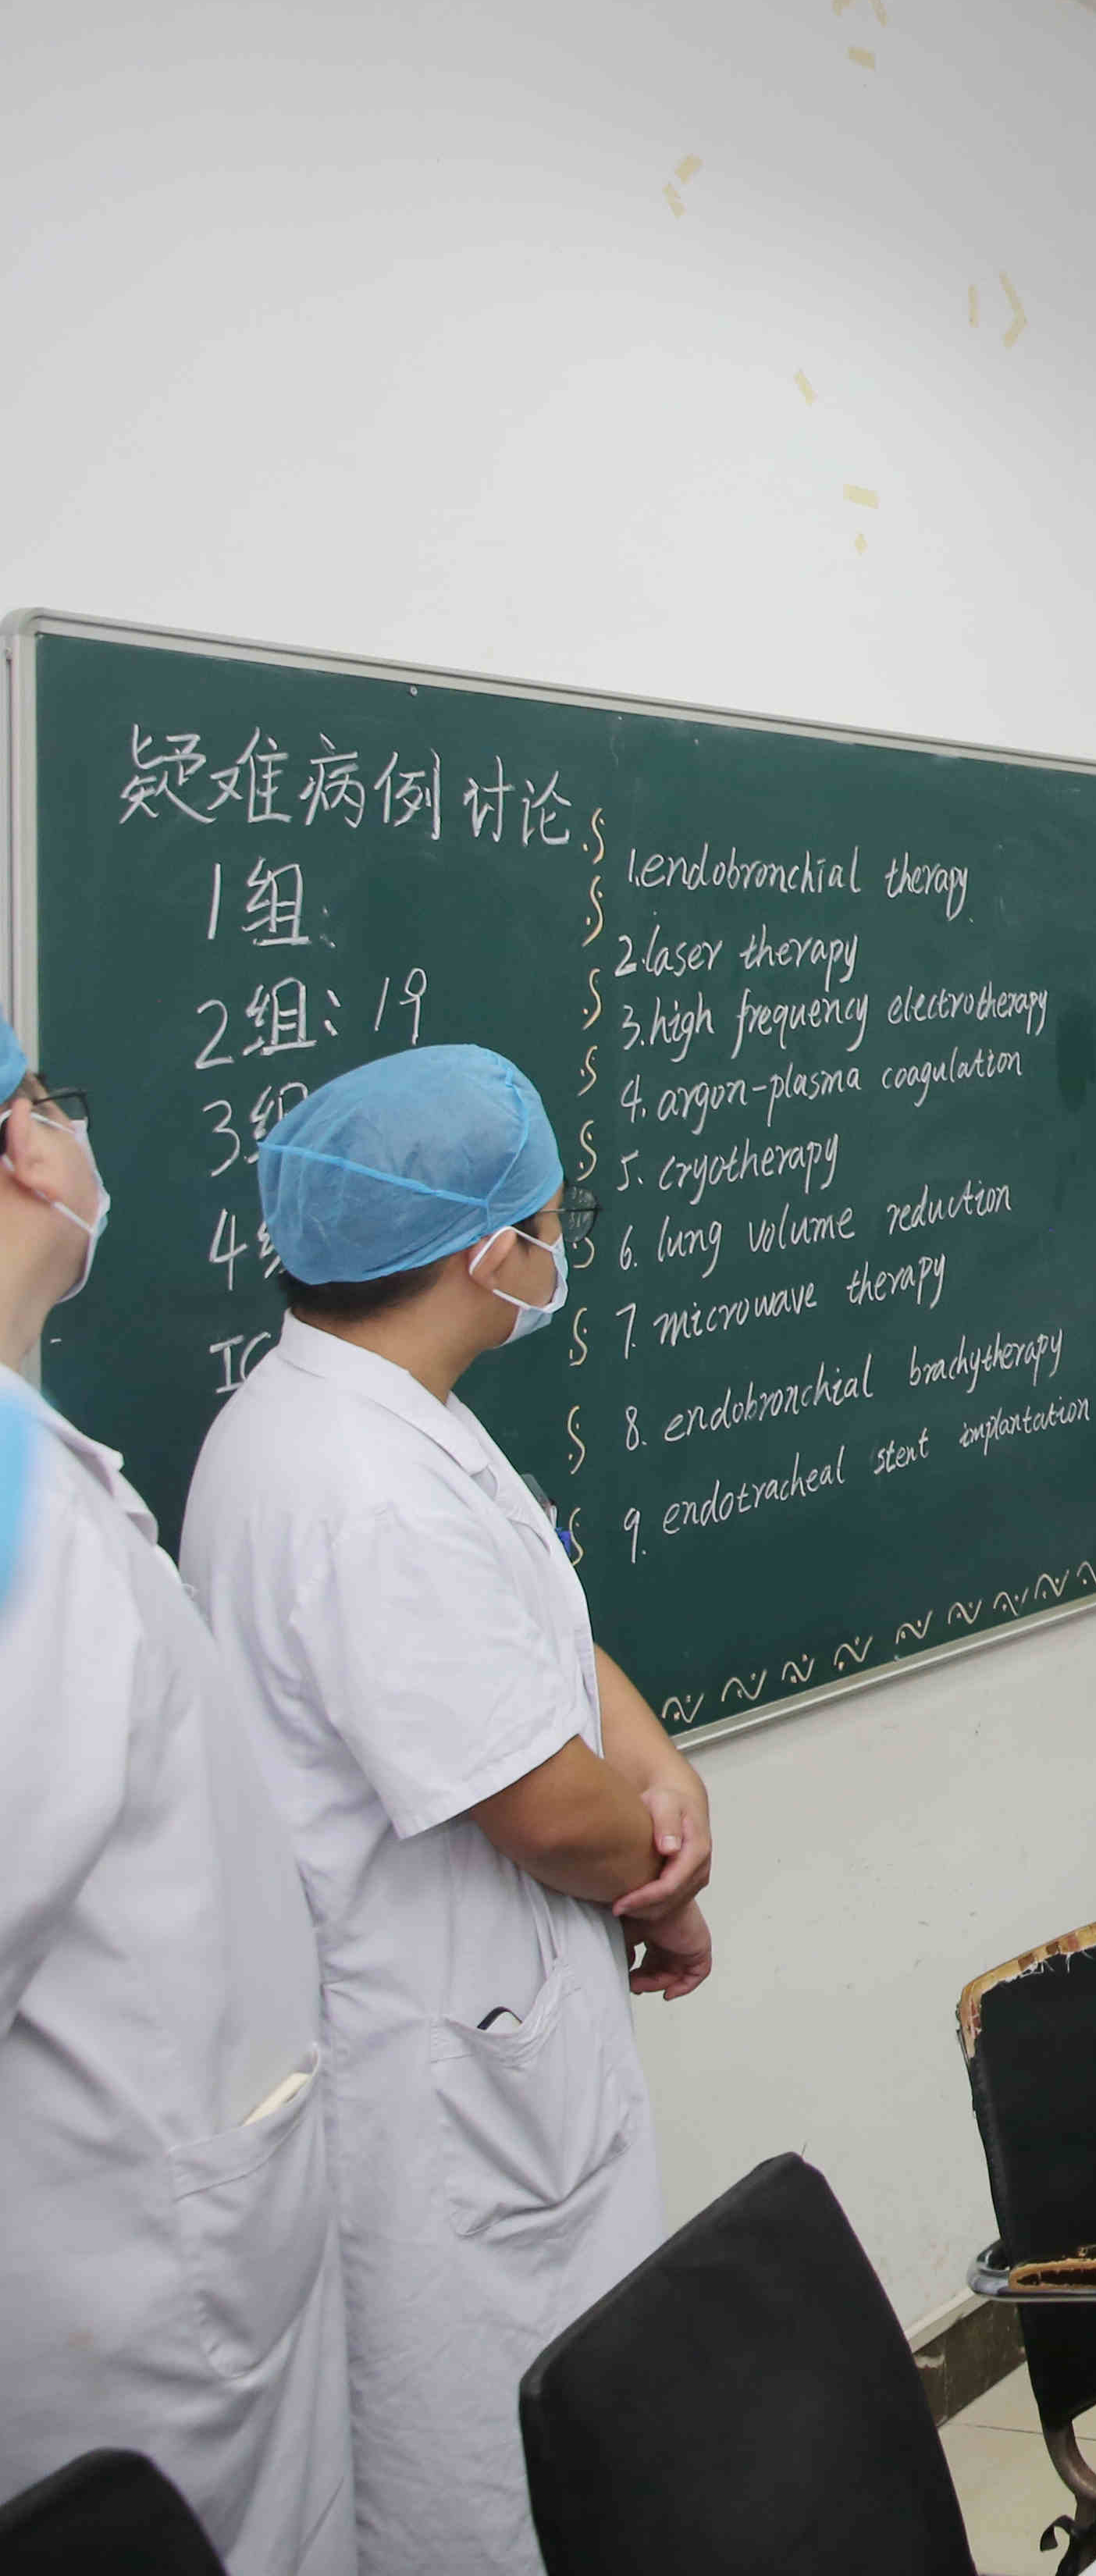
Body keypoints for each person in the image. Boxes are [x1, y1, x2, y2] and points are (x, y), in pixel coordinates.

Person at [186, 1044, 713, 2576]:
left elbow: (537, 1620)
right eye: (549, 1223)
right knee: (488, 2488)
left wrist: (661, 1767)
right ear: (491, 1257)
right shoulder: (360, 1486)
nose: (558, 1251)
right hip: (436, 2078)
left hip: (497, 2028)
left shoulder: (387, 1410)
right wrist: (665, 1877)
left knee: (576, 2440)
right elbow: (541, 1810)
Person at [0, 1019, 354, 2575]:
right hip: (125, 2281)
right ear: (22, 1154)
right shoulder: (24, 1528)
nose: (67, 1130)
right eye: (47, 1100)